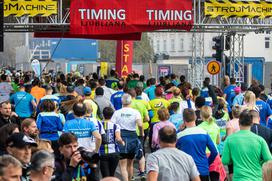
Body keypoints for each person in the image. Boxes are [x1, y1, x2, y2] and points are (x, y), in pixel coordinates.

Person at [222, 109, 272, 181]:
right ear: (251, 123)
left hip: (239, 178)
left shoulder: (230, 139)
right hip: (257, 177)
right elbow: (268, 159)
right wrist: (259, 161)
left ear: (239, 122)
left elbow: (225, 161)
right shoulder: (260, 140)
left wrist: (234, 159)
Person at [177, 108, 218, 181]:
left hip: (186, 171)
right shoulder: (204, 133)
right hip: (202, 170)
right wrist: (206, 163)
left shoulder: (179, 136)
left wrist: (178, 130)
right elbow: (214, 152)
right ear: (196, 117)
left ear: (183, 119)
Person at [111, 93, 144, 181]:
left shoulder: (117, 113)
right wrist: (141, 134)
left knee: (123, 165)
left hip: (121, 137)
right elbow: (140, 125)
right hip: (132, 136)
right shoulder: (135, 112)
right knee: (130, 163)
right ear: (131, 101)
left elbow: (112, 125)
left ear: (122, 102)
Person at [100, 107, 124, 178]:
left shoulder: (99, 124)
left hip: (102, 152)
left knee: (105, 176)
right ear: (112, 115)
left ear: (103, 114)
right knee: (112, 175)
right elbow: (118, 138)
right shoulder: (115, 125)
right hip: (114, 152)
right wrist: (122, 142)